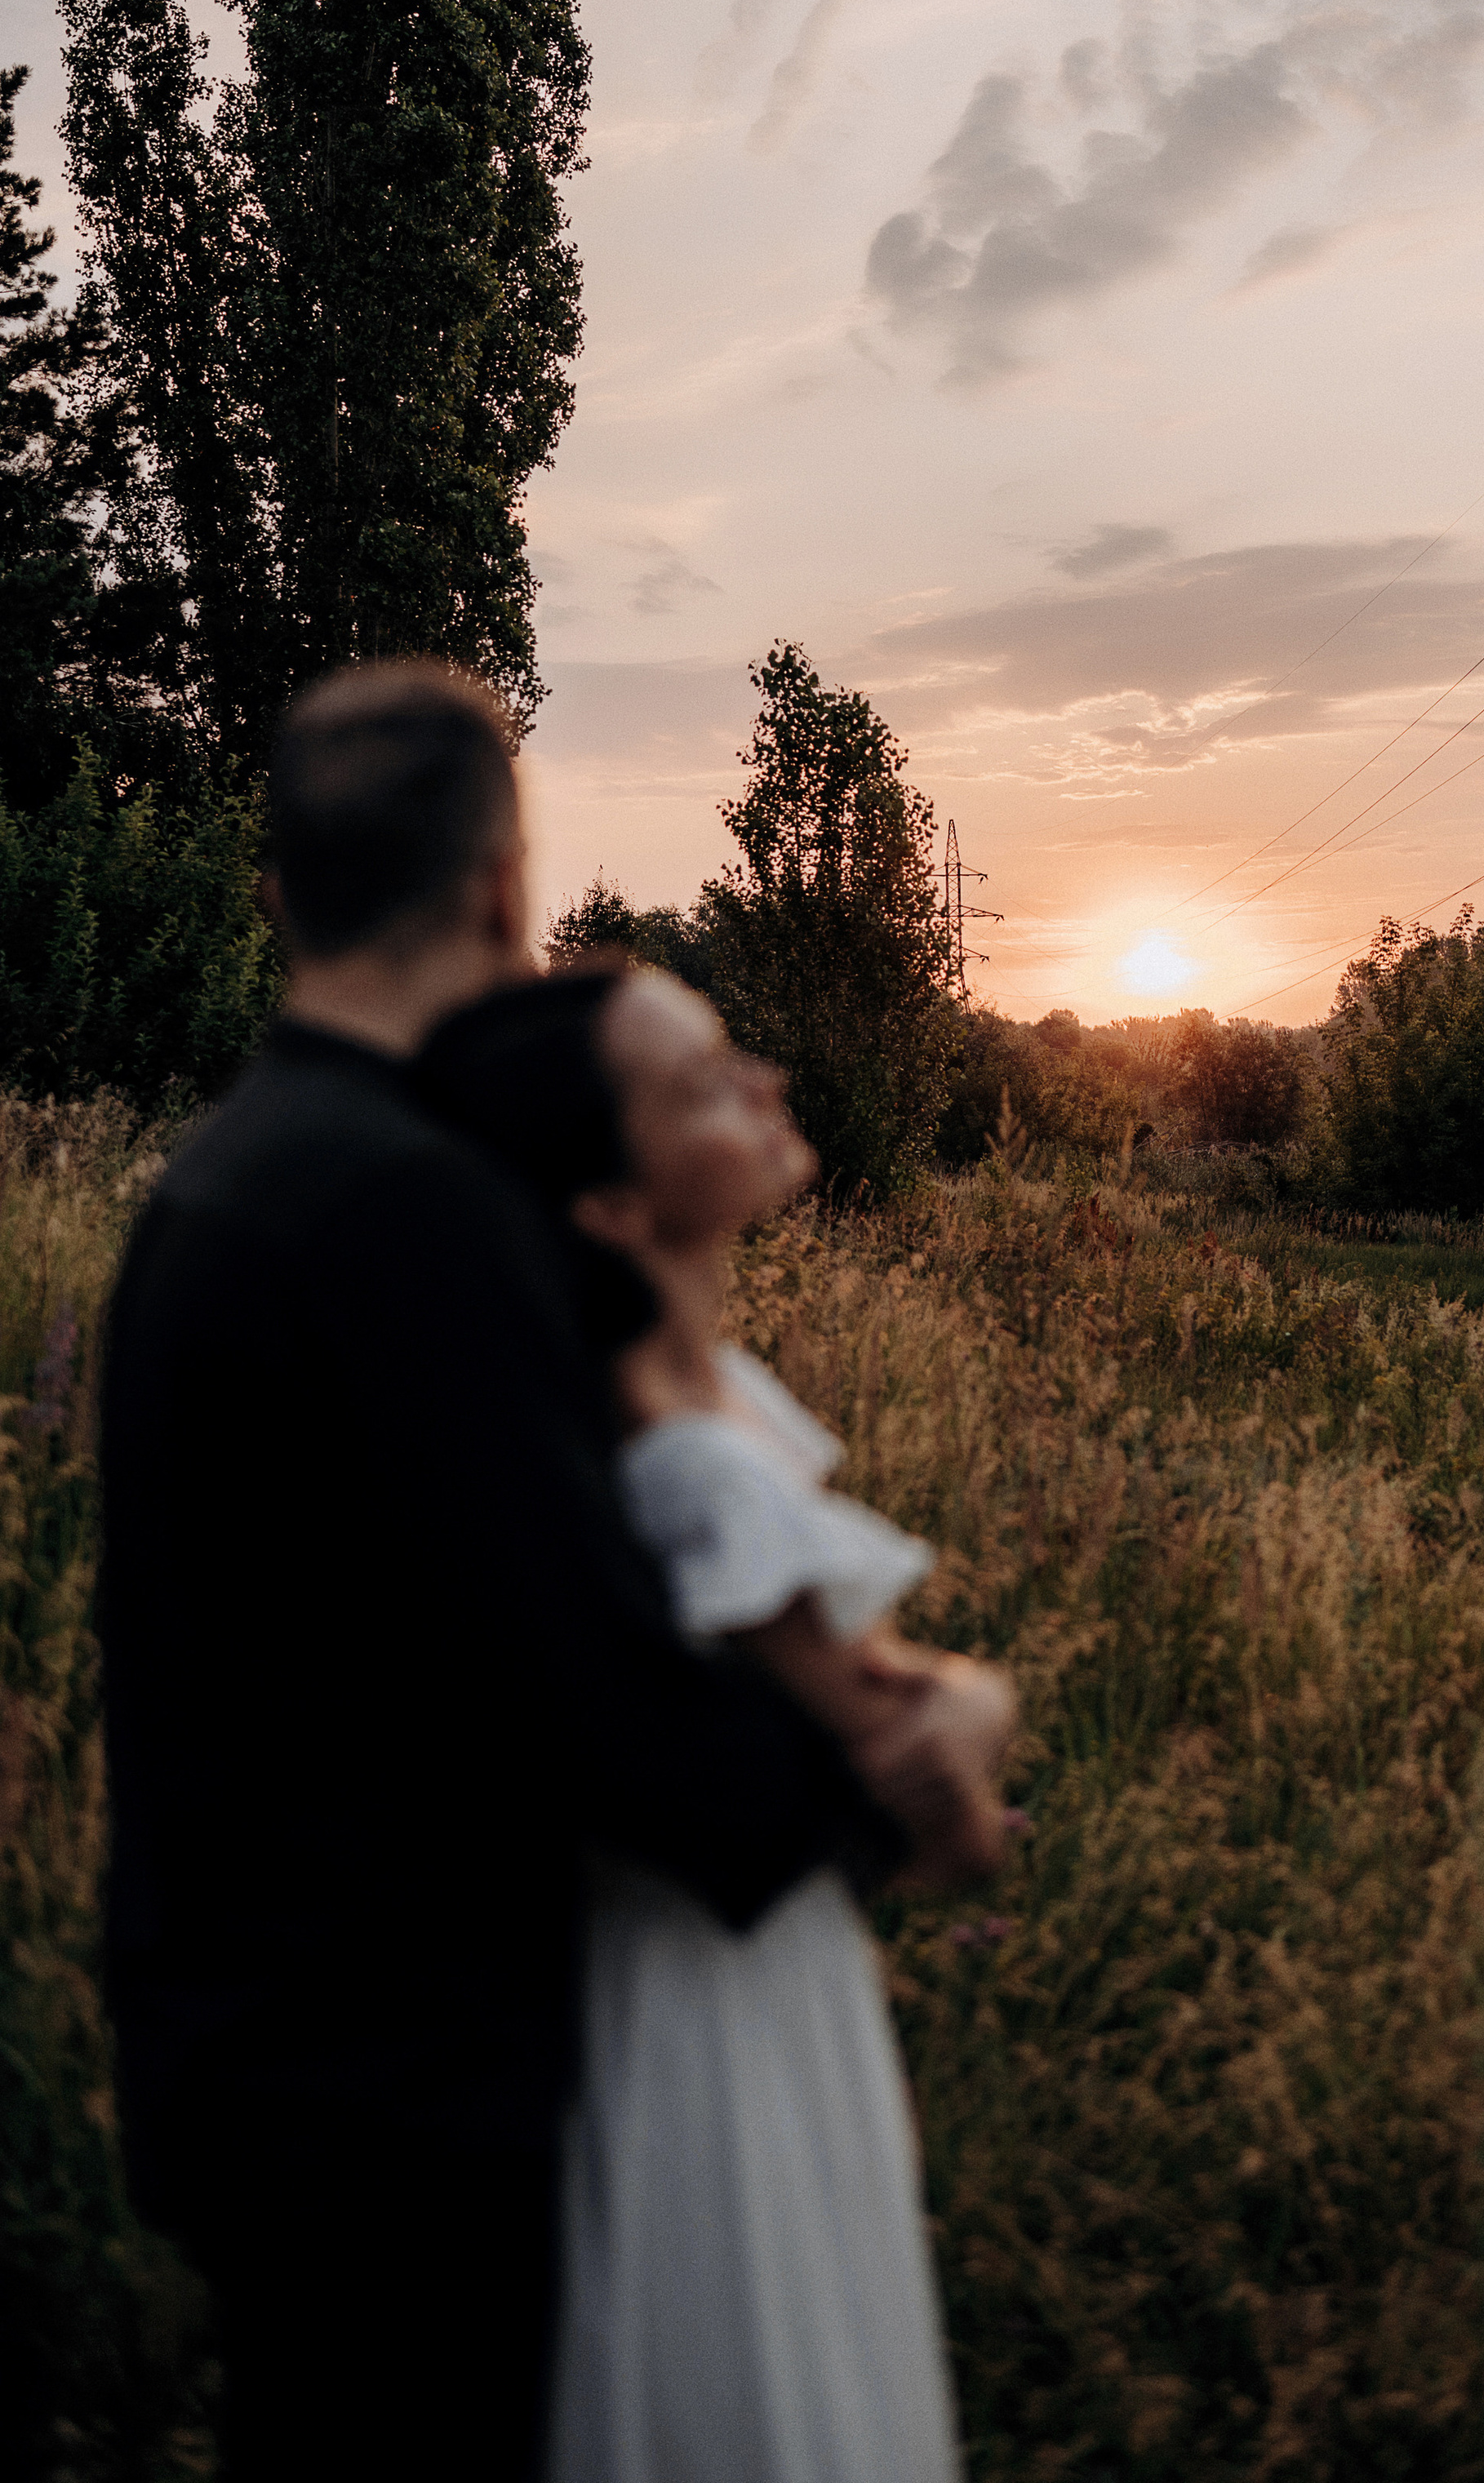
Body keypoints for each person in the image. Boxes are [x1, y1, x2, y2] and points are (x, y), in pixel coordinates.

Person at [96, 663, 1004, 2483]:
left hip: (259, 2043)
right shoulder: (409, 1206)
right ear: (504, 890)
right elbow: (587, 1689)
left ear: (279, 887)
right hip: (396, 2091)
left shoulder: (224, 1180)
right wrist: (892, 1793)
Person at [414, 963, 1014, 2483]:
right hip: (711, 2006)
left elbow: (880, 1694)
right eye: (700, 1086)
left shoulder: (714, 1392)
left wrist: (950, 1703)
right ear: (609, 1206)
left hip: (741, 1962)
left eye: (739, 1054)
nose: (766, 1084)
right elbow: (921, 1784)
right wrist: (967, 1721)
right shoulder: (681, 1460)